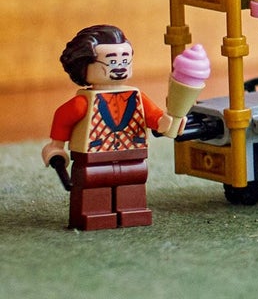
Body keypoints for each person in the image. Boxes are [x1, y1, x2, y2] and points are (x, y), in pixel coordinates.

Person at [43, 25, 181, 232]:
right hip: (93, 157)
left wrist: (171, 121)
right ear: (84, 65)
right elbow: (63, 118)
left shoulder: (136, 97)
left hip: (133, 154)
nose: (120, 67)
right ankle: (94, 215)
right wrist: (56, 146)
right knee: (94, 184)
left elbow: (155, 118)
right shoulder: (83, 102)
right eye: (112, 61)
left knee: (133, 181)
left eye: (125, 60)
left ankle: (133, 211)